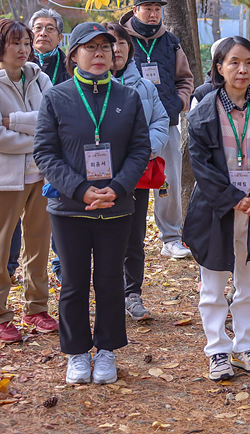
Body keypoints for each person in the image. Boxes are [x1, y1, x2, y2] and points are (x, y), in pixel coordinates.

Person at [33, 22, 150, 385]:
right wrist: (79, 189)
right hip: (70, 209)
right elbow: (45, 152)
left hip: (117, 206)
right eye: (90, 47)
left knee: (111, 280)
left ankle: (107, 349)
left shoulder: (128, 97)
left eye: (105, 47)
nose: (99, 53)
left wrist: (118, 187)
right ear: (74, 55)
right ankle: (77, 352)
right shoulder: (57, 97)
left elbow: (140, 149)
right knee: (73, 282)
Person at [182, 37, 250, 380]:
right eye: (234, 62)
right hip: (217, 209)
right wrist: (232, 198)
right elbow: (200, 164)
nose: (243, 69)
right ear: (219, 67)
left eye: (249, 62)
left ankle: (245, 345)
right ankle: (217, 350)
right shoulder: (203, 110)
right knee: (213, 286)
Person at [0, 19, 56, 343]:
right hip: (1, 179)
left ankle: (36, 308)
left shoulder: (40, 79)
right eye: (15, 43)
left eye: (26, 43)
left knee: (39, 246)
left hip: (41, 176)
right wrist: (38, 137)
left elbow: (54, 121)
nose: (23, 49)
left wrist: (14, 121)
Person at [121, 0, 194, 259]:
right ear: (135, 10)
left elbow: (185, 79)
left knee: (168, 182)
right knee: (129, 180)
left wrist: (179, 103)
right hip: (127, 127)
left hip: (167, 123)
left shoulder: (171, 41)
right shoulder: (121, 39)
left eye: (157, 9)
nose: (153, 14)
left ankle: (171, 238)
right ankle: (126, 237)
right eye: (147, 8)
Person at [107, 23, 169, 321]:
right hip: (100, 176)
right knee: (101, 237)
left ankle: (132, 294)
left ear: (129, 48)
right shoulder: (86, 87)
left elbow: (160, 121)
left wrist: (145, 150)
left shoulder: (145, 86)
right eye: (109, 43)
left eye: (121, 42)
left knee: (134, 237)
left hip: (137, 174)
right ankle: (106, 294)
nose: (115, 49)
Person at [29, 8, 69, 282]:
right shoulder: (18, 60)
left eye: (50, 28)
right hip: (22, 150)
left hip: (60, 151)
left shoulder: (69, 66)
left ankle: (61, 264)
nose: (43, 33)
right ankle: (15, 265)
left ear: (59, 36)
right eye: (38, 28)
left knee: (58, 208)